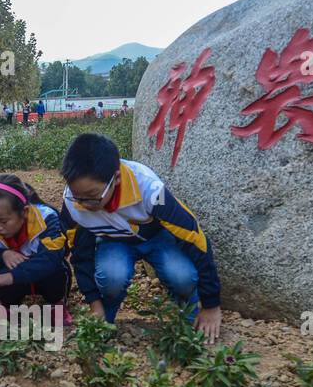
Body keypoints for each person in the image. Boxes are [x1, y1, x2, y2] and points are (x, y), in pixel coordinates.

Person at [61, 133, 223, 343]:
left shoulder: (150, 190)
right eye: (78, 196)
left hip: (155, 237)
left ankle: (188, 310)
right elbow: (80, 255)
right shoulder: (74, 202)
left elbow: (195, 239)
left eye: (93, 197)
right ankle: (105, 316)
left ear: (116, 178)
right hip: (114, 240)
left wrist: (211, 304)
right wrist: (94, 303)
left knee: (182, 276)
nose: (84, 204)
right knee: (112, 277)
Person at [0, 174, 72, 324]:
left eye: (3, 221)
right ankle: (9, 305)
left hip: (46, 275)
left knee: (57, 270)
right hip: (18, 275)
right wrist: (2, 254)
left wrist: (9, 277)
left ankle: (57, 303)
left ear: (25, 212)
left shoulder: (47, 220)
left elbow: (50, 258)